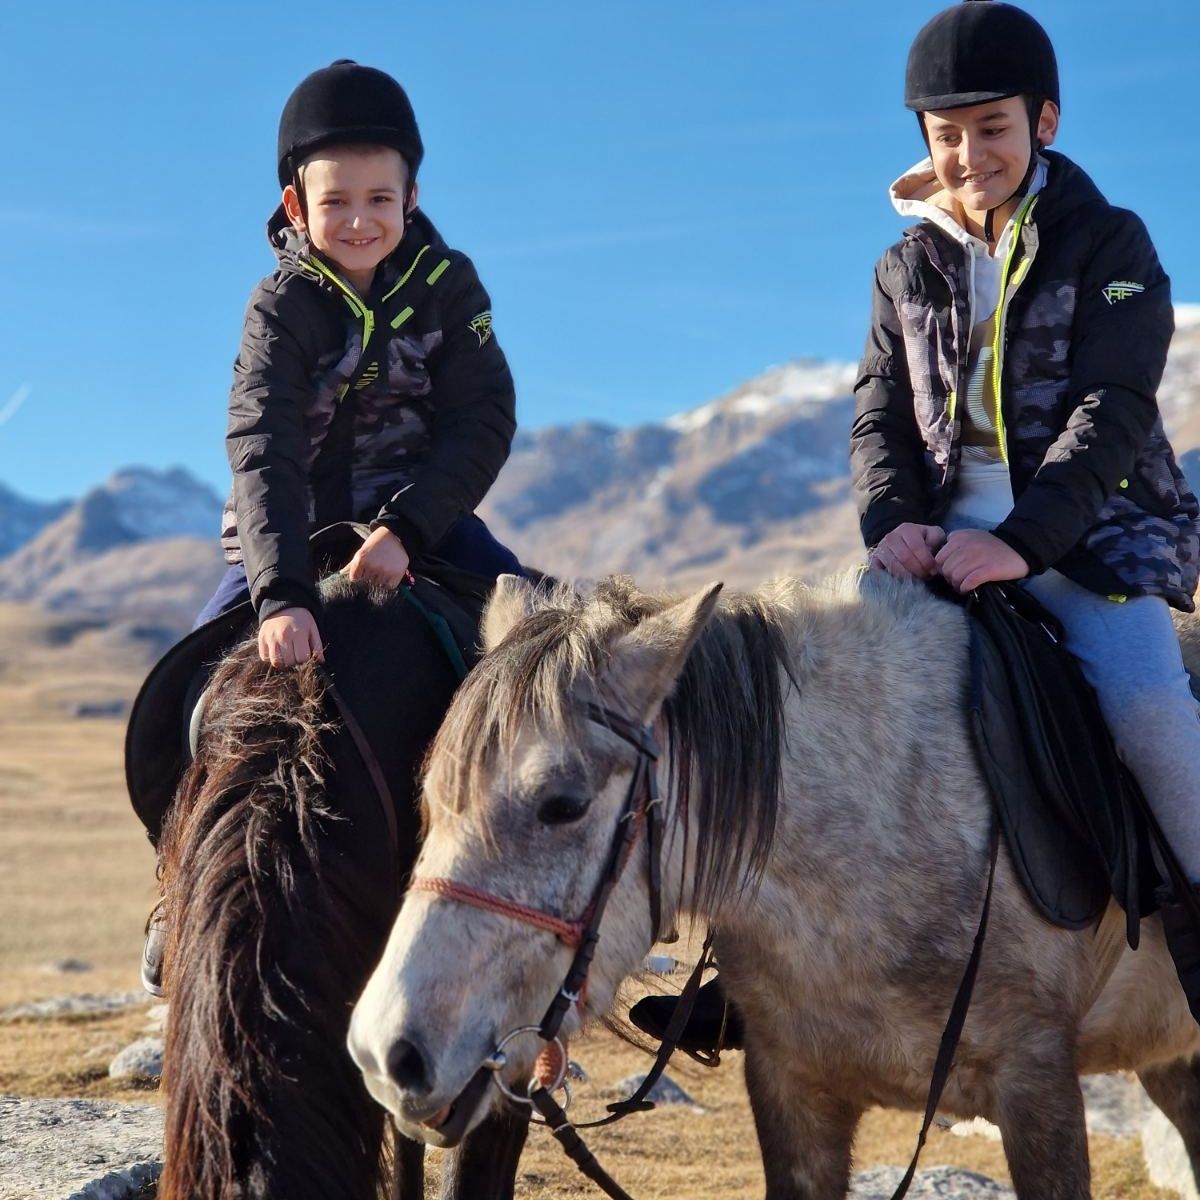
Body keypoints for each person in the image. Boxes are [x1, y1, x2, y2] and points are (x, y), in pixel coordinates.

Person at [632, 0, 1200, 1054]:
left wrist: (1022, 545)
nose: (971, 154)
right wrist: (892, 521)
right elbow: (877, 414)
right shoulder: (905, 267)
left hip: (1087, 542)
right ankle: (746, 972)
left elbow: (1112, 410)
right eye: (948, 136)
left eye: (992, 129)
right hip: (935, 546)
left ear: (1046, 122)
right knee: (797, 692)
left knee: (1149, 712)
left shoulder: (1112, 244)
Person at [141, 59, 520, 995]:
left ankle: (551, 896)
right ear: (295, 204)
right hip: (290, 530)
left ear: (413, 194)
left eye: (380, 198)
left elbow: (483, 421)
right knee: (184, 698)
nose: (359, 220)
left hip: (417, 522)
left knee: (550, 642)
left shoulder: (449, 286)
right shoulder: (281, 305)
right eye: (337, 200)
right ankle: (179, 884)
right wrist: (280, 594)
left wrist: (407, 530)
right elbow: (263, 447)